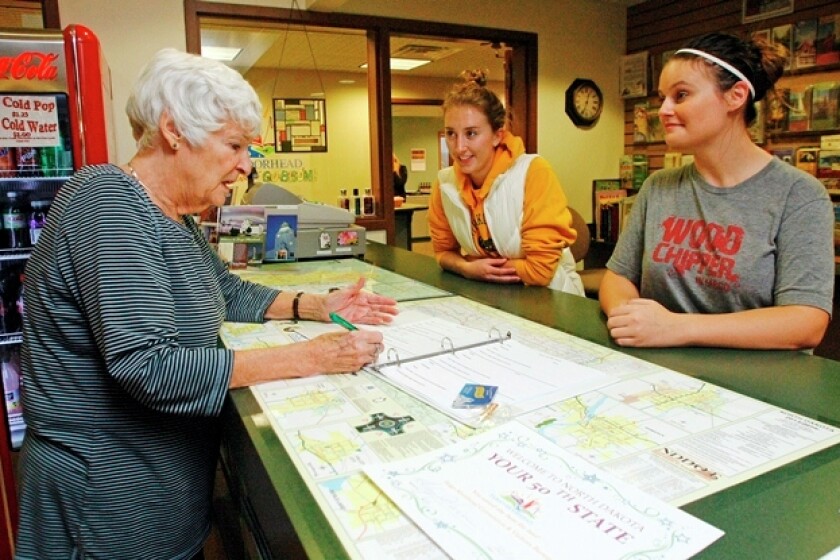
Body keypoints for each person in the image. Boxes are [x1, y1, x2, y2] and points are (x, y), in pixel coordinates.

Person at [16, 48, 398, 560]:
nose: (246, 165)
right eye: (235, 145)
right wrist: (309, 358)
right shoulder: (107, 202)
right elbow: (149, 367)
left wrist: (319, 304)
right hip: (105, 506)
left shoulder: (179, 218)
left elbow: (227, 291)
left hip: (164, 496)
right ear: (174, 131)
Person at [600, 32, 834, 349]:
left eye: (681, 95)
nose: (664, 110)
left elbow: (805, 322)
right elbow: (617, 277)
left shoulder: (799, 194)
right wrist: (629, 319)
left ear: (735, 97)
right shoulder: (658, 186)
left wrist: (676, 328)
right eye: (662, 98)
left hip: (756, 384)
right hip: (660, 373)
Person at [427, 69, 583, 294]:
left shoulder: (534, 172)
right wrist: (466, 267)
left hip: (550, 299)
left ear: (497, 136)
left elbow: (540, 270)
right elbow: (442, 253)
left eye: (471, 134)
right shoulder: (444, 184)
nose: (459, 147)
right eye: (451, 134)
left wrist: (481, 268)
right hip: (492, 296)